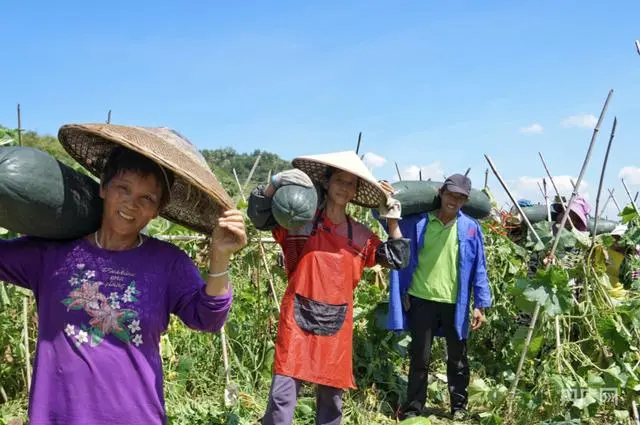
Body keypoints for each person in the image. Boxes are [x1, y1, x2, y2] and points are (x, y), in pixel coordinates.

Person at [0, 124, 248, 425]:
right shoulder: (51, 253)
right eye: (123, 188)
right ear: (103, 187)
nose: (132, 203)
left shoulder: (167, 263)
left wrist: (220, 254)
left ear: (157, 210)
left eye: (147, 198)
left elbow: (208, 318)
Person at [247, 150, 410, 425]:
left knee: (332, 400)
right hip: (296, 319)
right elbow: (260, 217)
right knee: (282, 396)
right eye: (339, 181)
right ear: (326, 182)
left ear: (355, 192)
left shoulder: (359, 235)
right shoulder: (300, 220)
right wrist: (274, 182)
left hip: (337, 323)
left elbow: (398, 258)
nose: (344, 188)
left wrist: (391, 220)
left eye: (350, 184)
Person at [381, 173, 492, 421]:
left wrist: (480, 304)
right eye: (451, 194)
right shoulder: (419, 222)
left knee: (458, 359)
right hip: (421, 298)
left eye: (461, 197)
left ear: (465, 201)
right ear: (441, 193)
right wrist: (384, 196)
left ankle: (459, 407)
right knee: (420, 357)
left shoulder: (471, 228)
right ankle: (413, 408)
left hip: (457, 303)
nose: (454, 200)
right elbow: (388, 224)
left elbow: (479, 266)